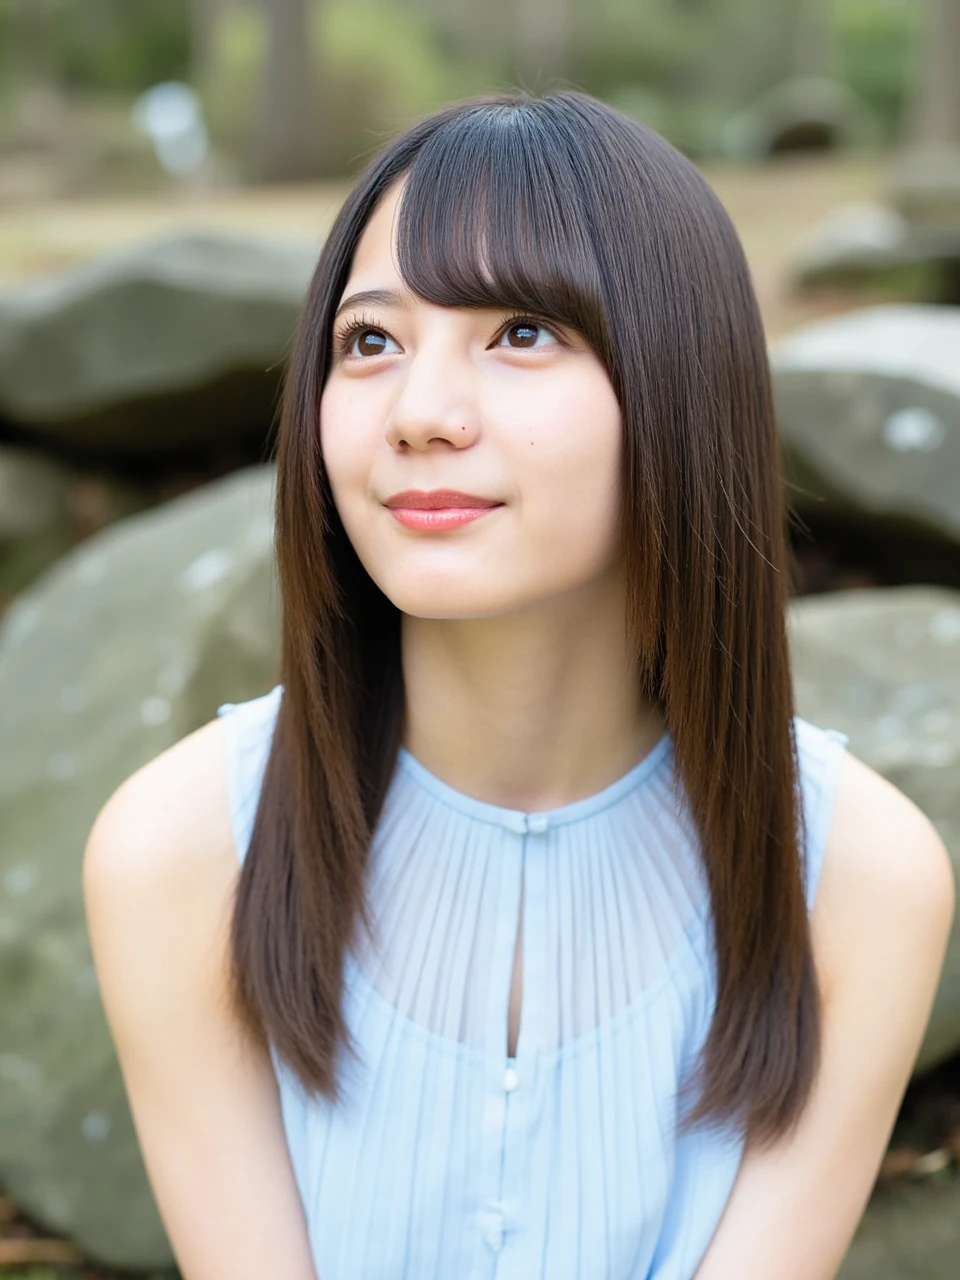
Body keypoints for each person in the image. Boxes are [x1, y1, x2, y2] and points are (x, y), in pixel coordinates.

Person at [82, 91, 954, 1280]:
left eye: (522, 333)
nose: (421, 416)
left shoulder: (857, 877)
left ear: (678, 385)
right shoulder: (182, 851)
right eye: (371, 341)